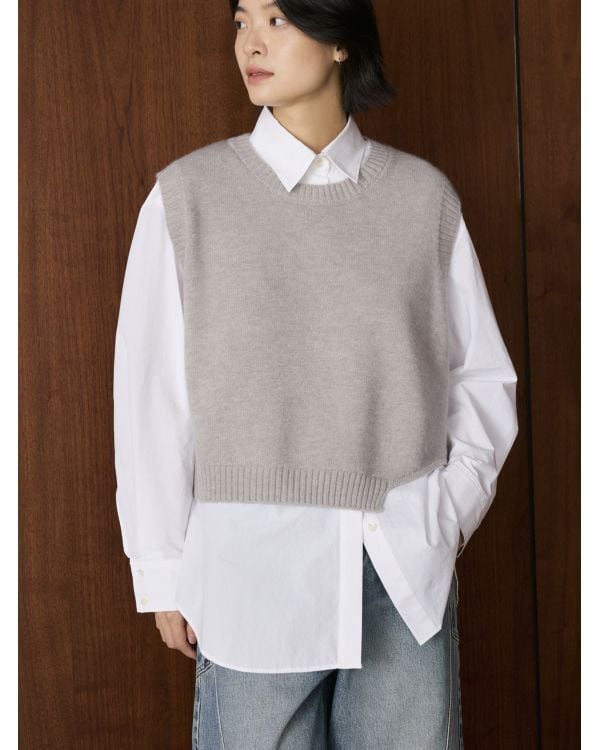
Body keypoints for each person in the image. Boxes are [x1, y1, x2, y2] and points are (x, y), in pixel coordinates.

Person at [113, 0, 519, 747]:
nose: (251, 43)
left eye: (278, 20)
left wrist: (444, 515)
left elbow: (482, 378)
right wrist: (162, 572)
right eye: (241, 21)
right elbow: (153, 404)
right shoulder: (188, 198)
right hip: (251, 571)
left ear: (339, 42)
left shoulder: (423, 199)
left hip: (401, 565)